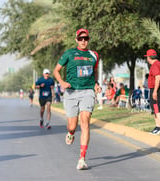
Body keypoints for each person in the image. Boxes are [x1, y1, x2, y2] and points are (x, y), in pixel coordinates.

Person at [53, 28, 100, 170]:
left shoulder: (94, 55)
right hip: (71, 92)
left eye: (86, 38)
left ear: (88, 40)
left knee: (85, 122)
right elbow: (56, 70)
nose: (83, 41)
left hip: (87, 91)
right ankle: (71, 133)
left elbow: (95, 71)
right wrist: (61, 82)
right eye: (81, 38)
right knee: (72, 125)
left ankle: (82, 158)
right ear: (76, 40)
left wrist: (96, 84)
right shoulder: (69, 53)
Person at [144, 49, 160, 135]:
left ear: (149, 57)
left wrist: (155, 91)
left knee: (157, 106)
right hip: (157, 88)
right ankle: (158, 126)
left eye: (147, 57)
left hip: (156, 88)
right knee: (155, 107)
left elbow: (158, 78)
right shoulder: (159, 64)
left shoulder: (155, 65)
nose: (147, 59)